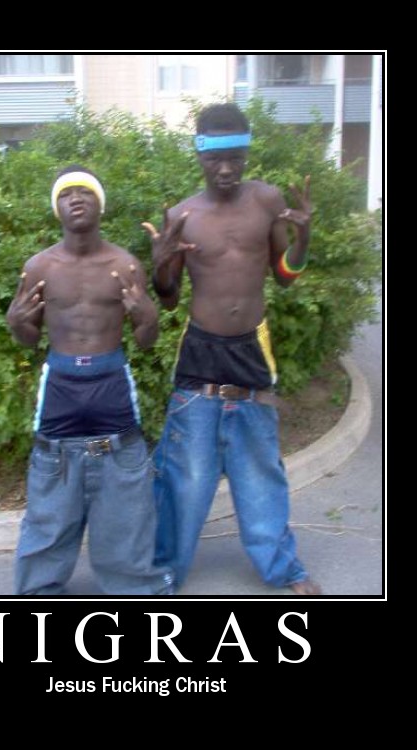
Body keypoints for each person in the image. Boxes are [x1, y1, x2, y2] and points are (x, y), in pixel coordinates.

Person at [142, 103, 321, 595]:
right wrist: (160, 265)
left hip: (251, 350)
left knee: (260, 469)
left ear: (246, 153)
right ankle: (163, 573)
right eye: (214, 158)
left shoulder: (266, 201)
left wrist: (304, 239)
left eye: (235, 158)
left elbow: (284, 277)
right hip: (200, 350)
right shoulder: (182, 215)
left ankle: (282, 568)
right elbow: (169, 297)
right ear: (198, 154)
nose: (225, 169)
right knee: (185, 474)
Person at [7, 165, 174, 596]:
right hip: (60, 385)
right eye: (67, 194)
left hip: (110, 381)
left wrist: (149, 318)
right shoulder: (39, 266)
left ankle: (131, 583)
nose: (76, 199)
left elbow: (146, 342)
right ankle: (40, 587)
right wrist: (15, 322)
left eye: (85, 192)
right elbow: (28, 339)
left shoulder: (125, 264)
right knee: (50, 481)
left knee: (125, 482)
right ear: (57, 208)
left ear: (100, 204)